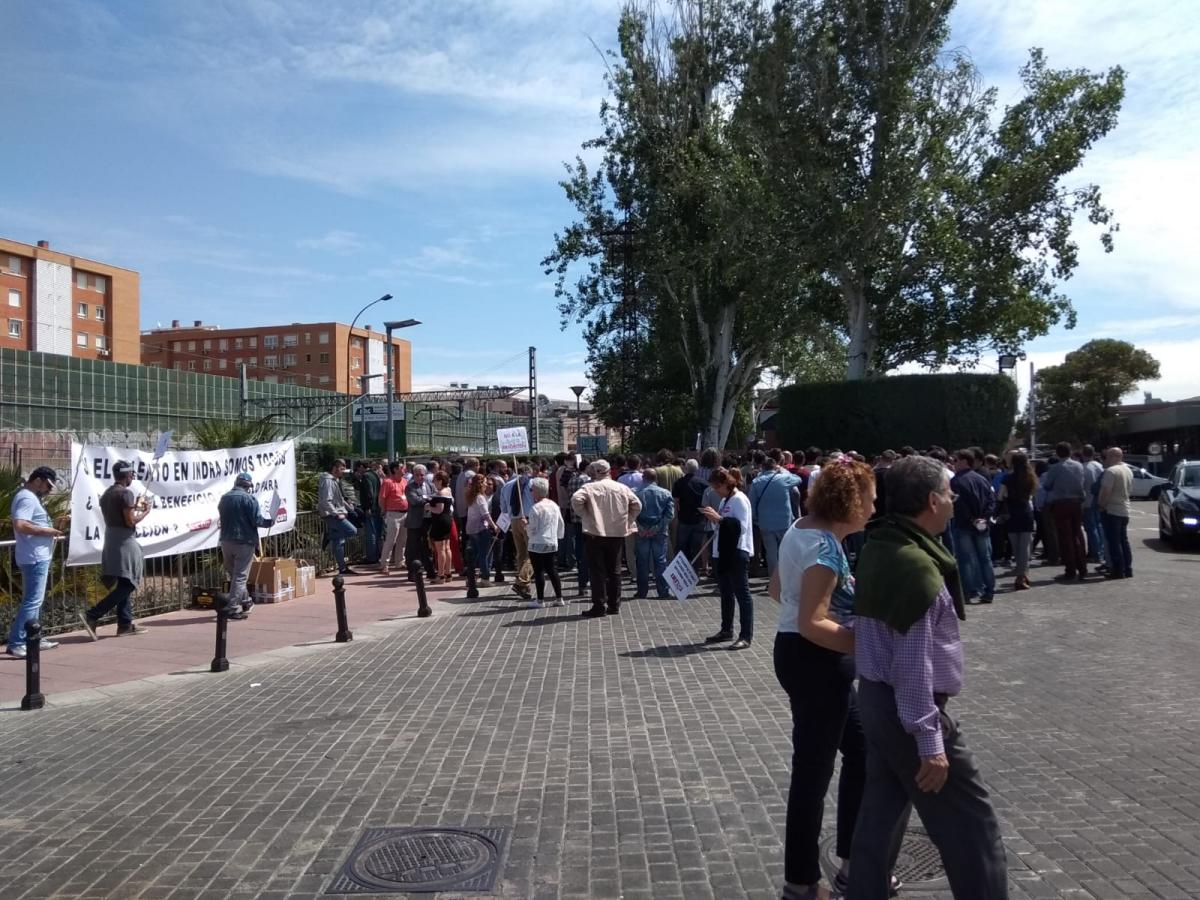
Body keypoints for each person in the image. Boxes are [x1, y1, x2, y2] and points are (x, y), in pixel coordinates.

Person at [847, 456, 1008, 900]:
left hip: (877, 701)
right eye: (950, 494)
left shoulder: (881, 545)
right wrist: (930, 741)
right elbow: (913, 664)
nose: (954, 502)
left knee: (881, 812)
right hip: (907, 708)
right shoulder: (917, 567)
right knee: (973, 827)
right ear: (932, 500)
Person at [770, 458, 896, 899]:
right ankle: (802, 881)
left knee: (857, 753)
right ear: (851, 500)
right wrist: (872, 646)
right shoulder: (824, 547)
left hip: (800, 655)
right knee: (813, 774)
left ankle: (851, 863)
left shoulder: (801, 529)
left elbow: (775, 589)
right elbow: (812, 623)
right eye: (870, 500)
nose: (873, 508)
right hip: (816, 659)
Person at [80, 460, 151, 639]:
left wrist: (134, 507)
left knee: (124, 582)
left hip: (111, 539)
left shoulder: (107, 494)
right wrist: (145, 512)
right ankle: (93, 614)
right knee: (129, 583)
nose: (133, 477)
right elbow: (130, 521)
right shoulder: (125, 493)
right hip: (124, 542)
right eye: (132, 474)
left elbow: (120, 514)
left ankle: (125, 625)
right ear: (126, 475)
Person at [571, 460, 641, 618]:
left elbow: (576, 500)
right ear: (609, 471)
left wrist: (586, 516)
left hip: (595, 533)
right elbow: (637, 505)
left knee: (597, 571)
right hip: (616, 533)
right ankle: (614, 605)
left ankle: (599, 605)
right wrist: (627, 520)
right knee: (615, 571)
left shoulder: (589, 487)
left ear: (595, 472)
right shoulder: (622, 488)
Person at [7, 466, 63, 658]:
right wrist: (48, 531)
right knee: (32, 601)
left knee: (35, 601)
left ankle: (34, 638)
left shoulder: (31, 498)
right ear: (38, 480)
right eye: (47, 485)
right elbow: (21, 524)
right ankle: (17, 642)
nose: (49, 490)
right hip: (34, 557)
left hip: (37, 556)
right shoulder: (27, 497)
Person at [701, 467, 755, 650]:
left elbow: (741, 527)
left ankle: (746, 635)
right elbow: (724, 525)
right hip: (722, 551)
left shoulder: (740, 499)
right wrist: (715, 519)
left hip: (738, 551)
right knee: (726, 593)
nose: (716, 491)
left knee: (742, 594)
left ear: (725, 484)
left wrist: (719, 520)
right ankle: (726, 629)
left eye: (717, 487)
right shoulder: (725, 499)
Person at [217, 472, 273, 619]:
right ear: (248, 486)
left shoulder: (224, 498)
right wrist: (269, 522)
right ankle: (233, 607)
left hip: (226, 541)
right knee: (240, 576)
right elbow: (257, 520)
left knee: (235, 575)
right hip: (244, 541)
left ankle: (246, 601)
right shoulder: (249, 499)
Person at [949, 449, 996, 603]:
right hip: (982, 524)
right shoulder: (982, 479)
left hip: (964, 525)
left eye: (956, 461)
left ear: (963, 461)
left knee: (965, 559)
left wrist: (972, 519)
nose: (953, 464)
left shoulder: (956, 481)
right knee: (985, 558)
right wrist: (985, 518)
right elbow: (991, 500)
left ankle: (969, 591)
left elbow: (959, 504)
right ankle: (989, 590)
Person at [1041, 441, 1088, 582]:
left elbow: (1048, 486)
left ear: (1057, 453)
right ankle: (1083, 567)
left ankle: (1070, 570)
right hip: (1077, 503)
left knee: (1065, 538)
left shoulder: (1055, 468)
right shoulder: (1079, 465)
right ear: (1071, 452)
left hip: (1061, 503)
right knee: (1077, 535)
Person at [749, 455, 803, 577]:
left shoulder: (756, 482)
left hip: (765, 522)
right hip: (784, 520)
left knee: (770, 553)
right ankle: (788, 577)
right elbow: (798, 479)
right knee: (785, 550)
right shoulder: (783, 478)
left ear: (762, 468)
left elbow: (751, 503)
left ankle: (774, 579)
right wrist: (782, 470)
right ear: (775, 467)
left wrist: (756, 518)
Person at [997, 451, 1037, 591]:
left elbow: (1000, 496)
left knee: (1015, 546)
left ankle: (1021, 574)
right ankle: (1022, 575)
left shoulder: (1007, 478)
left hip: (1012, 513)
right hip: (1026, 512)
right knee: (1025, 547)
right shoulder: (1030, 477)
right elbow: (1032, 494)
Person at [634, 468, 675, 599]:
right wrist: (656, 528)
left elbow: (631, 514)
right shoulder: (665, 493)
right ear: (656, 479)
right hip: (660, 531)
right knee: (660, 561)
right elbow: (670, 515)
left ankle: (642, 591)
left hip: (641, 531)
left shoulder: (635, 492)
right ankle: (663, 591)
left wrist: (640, 527)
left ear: (643, 478)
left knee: (642, 561)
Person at [527, 477, 566, 607]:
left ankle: (540, 600)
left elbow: (532, 530)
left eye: (532, 490)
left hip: (537, 543)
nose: (531, 492)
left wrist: (525, 526)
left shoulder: (535, 508)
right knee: (552, 570)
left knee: (539, 571)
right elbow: (560, 523)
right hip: (551, 542)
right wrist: (558, 537)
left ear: (536, 491)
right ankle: (559, 598)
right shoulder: (554, 505)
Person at [1098, 446, 1133, 579]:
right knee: (1124, 541)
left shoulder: (1111, 471)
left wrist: (1102, 505)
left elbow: (1106, 491)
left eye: (1107, 457)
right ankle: (1127, 569)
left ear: (1114, 457)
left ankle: (1117, 570)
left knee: (1114, 542)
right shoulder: (1128, 470)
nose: (1106, 460)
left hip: (1112, 509)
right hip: (1124, 509)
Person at [318, 458, 359, 575]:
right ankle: (329, 536)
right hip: (332, 515)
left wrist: (350, 507)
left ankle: (342, 568)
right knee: (352, 530)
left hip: (336, 513)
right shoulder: (328, 481)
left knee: (339, 542)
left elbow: (339, 498)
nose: (343, 471)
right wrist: (336, 513)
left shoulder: (334, 480)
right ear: (334, 468)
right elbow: (326, 501)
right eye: (342, 468)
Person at [501, 466, 536, 600]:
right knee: (533, 553)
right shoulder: (531, 483)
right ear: (528, 471)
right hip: (527, 519)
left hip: (514, 520)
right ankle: (521, 581)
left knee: (521, 553)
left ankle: (525, 586)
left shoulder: (506, 486)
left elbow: (503, 507)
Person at [672, 459, 706, 568]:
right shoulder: (703, 483)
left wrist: (677, 516)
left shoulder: (679, 483)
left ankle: (680, 568)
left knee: (681, 546)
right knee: (696, 547)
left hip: (684, 520)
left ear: (686, 468)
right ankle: (696, 569)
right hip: (699, 519)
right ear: (697, 469)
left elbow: (676, 502)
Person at [377, 463, 409, 575]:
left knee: (403, 540)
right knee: (390, 540)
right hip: (393, 514)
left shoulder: (405, 481)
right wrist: (384, 511)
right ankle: (384, 565)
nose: (404, 469)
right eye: (401, 468)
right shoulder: (387, 482)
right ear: (395, 470)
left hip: (405, 514)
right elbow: (382, 498)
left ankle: (400, 562)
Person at [566, 458, 592, 596]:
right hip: (587, 520)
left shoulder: (572, 480)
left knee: (580, 551)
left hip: (575, 518)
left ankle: (581, 584)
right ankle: (588, 582)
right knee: (591, 553)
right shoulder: (588, 482)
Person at [404, 464, 435, 579]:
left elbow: (435, 496)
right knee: (413, 549)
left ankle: (430, 571)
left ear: (425, 475)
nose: (419, 477)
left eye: (421, 475)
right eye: (416, 475)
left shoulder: (430, 485)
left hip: (428, 521)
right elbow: (414, 500)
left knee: (427, 548)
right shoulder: (410, 487)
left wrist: (429, 499)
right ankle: (412, 573)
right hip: (414, 522)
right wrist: (427, 500)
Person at [465, 474, 498, 580]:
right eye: (484, 482)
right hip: (480, 528)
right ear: (480, 484)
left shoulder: (471, 496)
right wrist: (494, 526)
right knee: (484, 554)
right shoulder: (480, 497)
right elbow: (486, 515)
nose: (486, 484)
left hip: (471, 529)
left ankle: (471, 578)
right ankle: (485, 578)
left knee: (473, 555)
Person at [352, 460, 381, 565]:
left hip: (370, 508)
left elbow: (369, 492)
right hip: (377, 507)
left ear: (360, 467)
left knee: (371, 533)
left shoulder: (366, 476)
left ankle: (371, 557)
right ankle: (376, 555)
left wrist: (368, 507)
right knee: (376, 532)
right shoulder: (375, 475)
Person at [428, 471, 455, 583]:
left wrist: (428, 507)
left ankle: (440, 575)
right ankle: (448, 573)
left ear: (440, 481)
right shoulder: (448, 490)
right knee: (447, 547)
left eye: (434, 480)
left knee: (440, 549)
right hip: (448, 520)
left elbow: (439, 509)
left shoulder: (440, 493)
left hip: (440, 521)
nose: (433, 482)